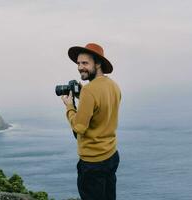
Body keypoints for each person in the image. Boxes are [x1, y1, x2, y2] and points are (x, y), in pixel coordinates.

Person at [61, 43, 121, 200]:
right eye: (79, 63)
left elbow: (79, 127)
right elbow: (101, 109)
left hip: (92, 163)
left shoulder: (90, 90)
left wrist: (69, 107)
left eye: (85, 63)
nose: (80, 67)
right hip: (111, 155)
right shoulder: (113, 86)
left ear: (98, 63)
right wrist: (82, 96)